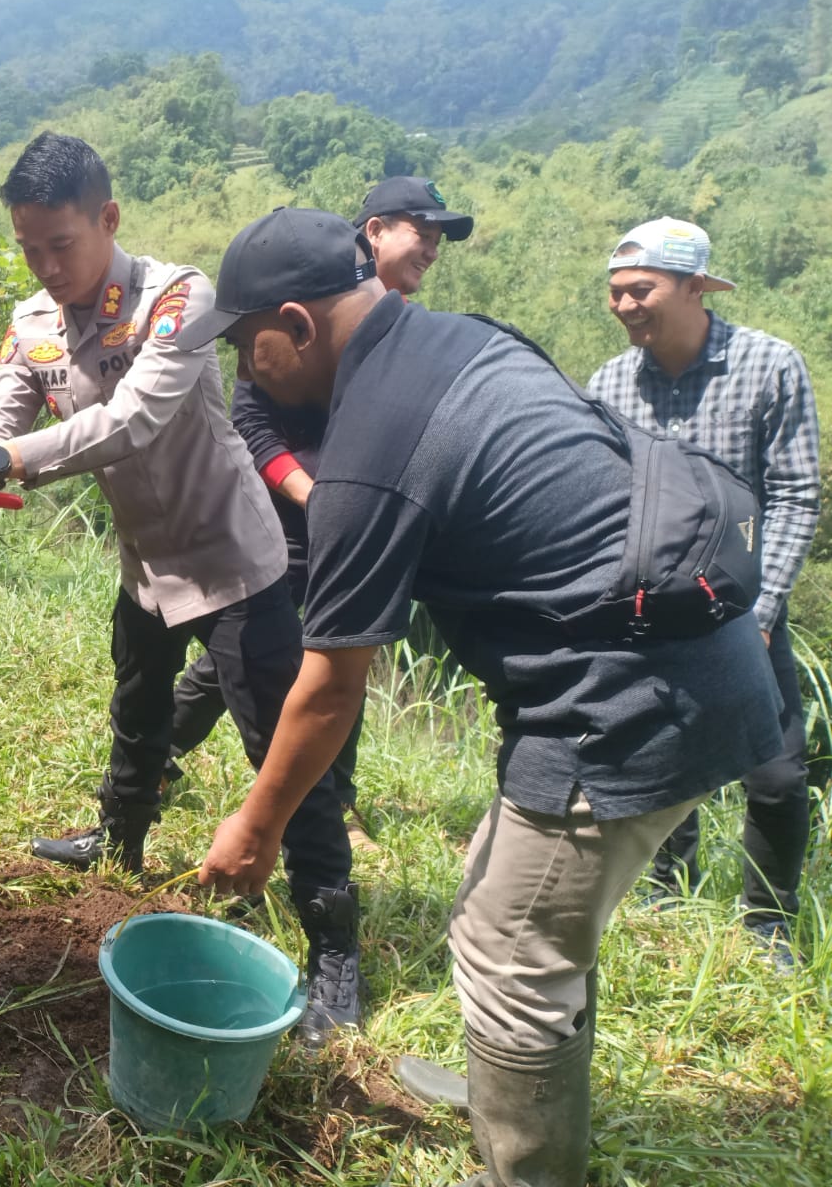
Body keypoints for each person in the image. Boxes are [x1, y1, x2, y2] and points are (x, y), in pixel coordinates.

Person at [185, 207, 781, 1187]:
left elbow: (330, 687)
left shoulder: (370, 456)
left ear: (295, 322)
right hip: (696, 653)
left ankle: (527, 1166)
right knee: (507, 900)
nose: (247, 377)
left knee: (510, 953)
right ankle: (518, 1090)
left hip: (627, 701)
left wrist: (253, 831)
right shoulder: (464, 338)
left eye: (251, 352)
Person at [0, 133, 360, 1047]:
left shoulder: (179, 298)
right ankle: (117, 844)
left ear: (108, 220)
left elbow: (129, 422)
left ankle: (334, 948)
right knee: (137, 707)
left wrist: (4, 460)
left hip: (233, 559)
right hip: (146, 562)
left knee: (278, 746)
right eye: (28, 247)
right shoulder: (32, 319)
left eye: (61, 244)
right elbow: (1, 414)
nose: (46, 266)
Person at [164, 180, 474, 847]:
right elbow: (252, 425)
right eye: (419, 228)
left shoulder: (400, 332)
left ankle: (334, 801)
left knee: (336, 656)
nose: (430, 246)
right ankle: (168, 753)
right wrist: (314, 496)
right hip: (287, 524)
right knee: (243, 656)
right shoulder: (283, 317)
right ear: (372, 233)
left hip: (351, 523)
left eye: (438, 237)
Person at [585, 217, 819, 970]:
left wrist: (761, 608)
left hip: (745, 609)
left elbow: (793, 494)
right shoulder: (609, 384)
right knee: (661, 757)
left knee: (778, 776)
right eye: (615, 292)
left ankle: (768, 927)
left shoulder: (766, 366)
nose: (623, 305)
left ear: (693, 288)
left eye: (640, 290)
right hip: (650, 608)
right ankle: (664, 893)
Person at [353, 175, 474, 296]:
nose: (433, 255)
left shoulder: (398, 312)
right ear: (376, 231)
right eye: (424, 236)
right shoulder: (336, 304)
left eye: (436, 243)